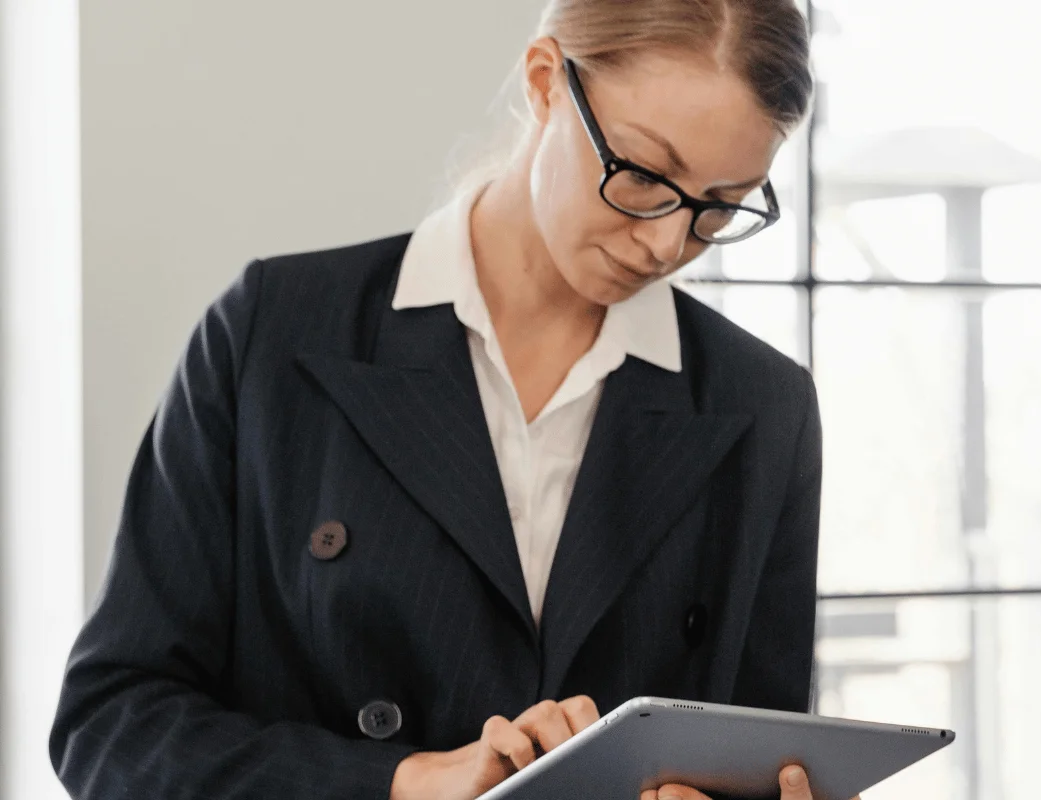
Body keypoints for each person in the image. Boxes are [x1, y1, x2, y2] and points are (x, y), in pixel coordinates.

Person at [50, 2, 853, 799]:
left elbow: (762, 752)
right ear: (545, 82)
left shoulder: (763, 406)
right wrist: (407, 782)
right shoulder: (274, 333)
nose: (667, 244)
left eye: (720, 204)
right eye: (642, 175)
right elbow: (113, 725)